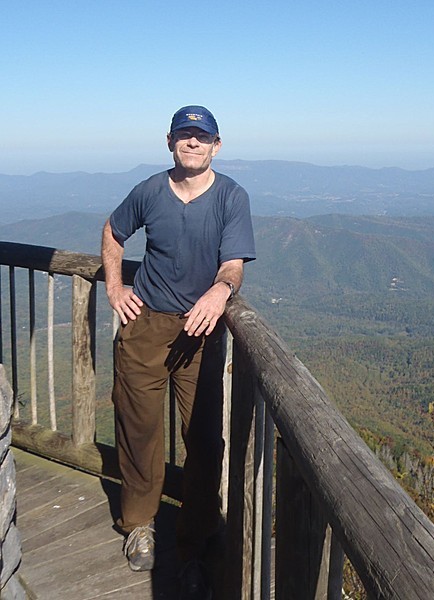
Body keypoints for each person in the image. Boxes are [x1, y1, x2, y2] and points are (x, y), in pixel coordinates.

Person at [101, 105, 256, 599]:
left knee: (205, 440)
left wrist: (220, 292)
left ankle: (194, 543)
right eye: (184, 135)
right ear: (169, 141)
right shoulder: (149, 190)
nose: (192, 143)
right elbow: (112, 231)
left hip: (201, 332)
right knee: (138, 428)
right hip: (145, 324)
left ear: (217, 144)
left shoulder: (231, 196)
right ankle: (139, 525)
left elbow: (232, 263)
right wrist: (114, 287)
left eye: (201, 136)